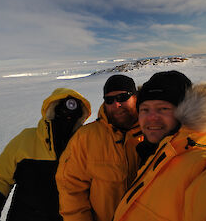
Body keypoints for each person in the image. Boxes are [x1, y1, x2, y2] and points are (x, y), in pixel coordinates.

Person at [113, 70, 206, 221]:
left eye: (163, 108)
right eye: (144, 109)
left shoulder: (200, 160)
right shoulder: (154, 153)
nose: (151, 118)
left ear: (184, 114)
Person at [0, 88, 91, 221]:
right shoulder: (25, 140)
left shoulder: (85, 147)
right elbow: (1, 181)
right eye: (61, 112)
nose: (66, 119)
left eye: (73, 116)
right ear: (51, 112)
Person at [56, 75, 143, 221]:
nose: (116, 104)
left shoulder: (153, 132)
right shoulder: (85, 137)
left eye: (123, 97)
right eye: (109, 100)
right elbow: (71, 188)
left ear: (135, 97)